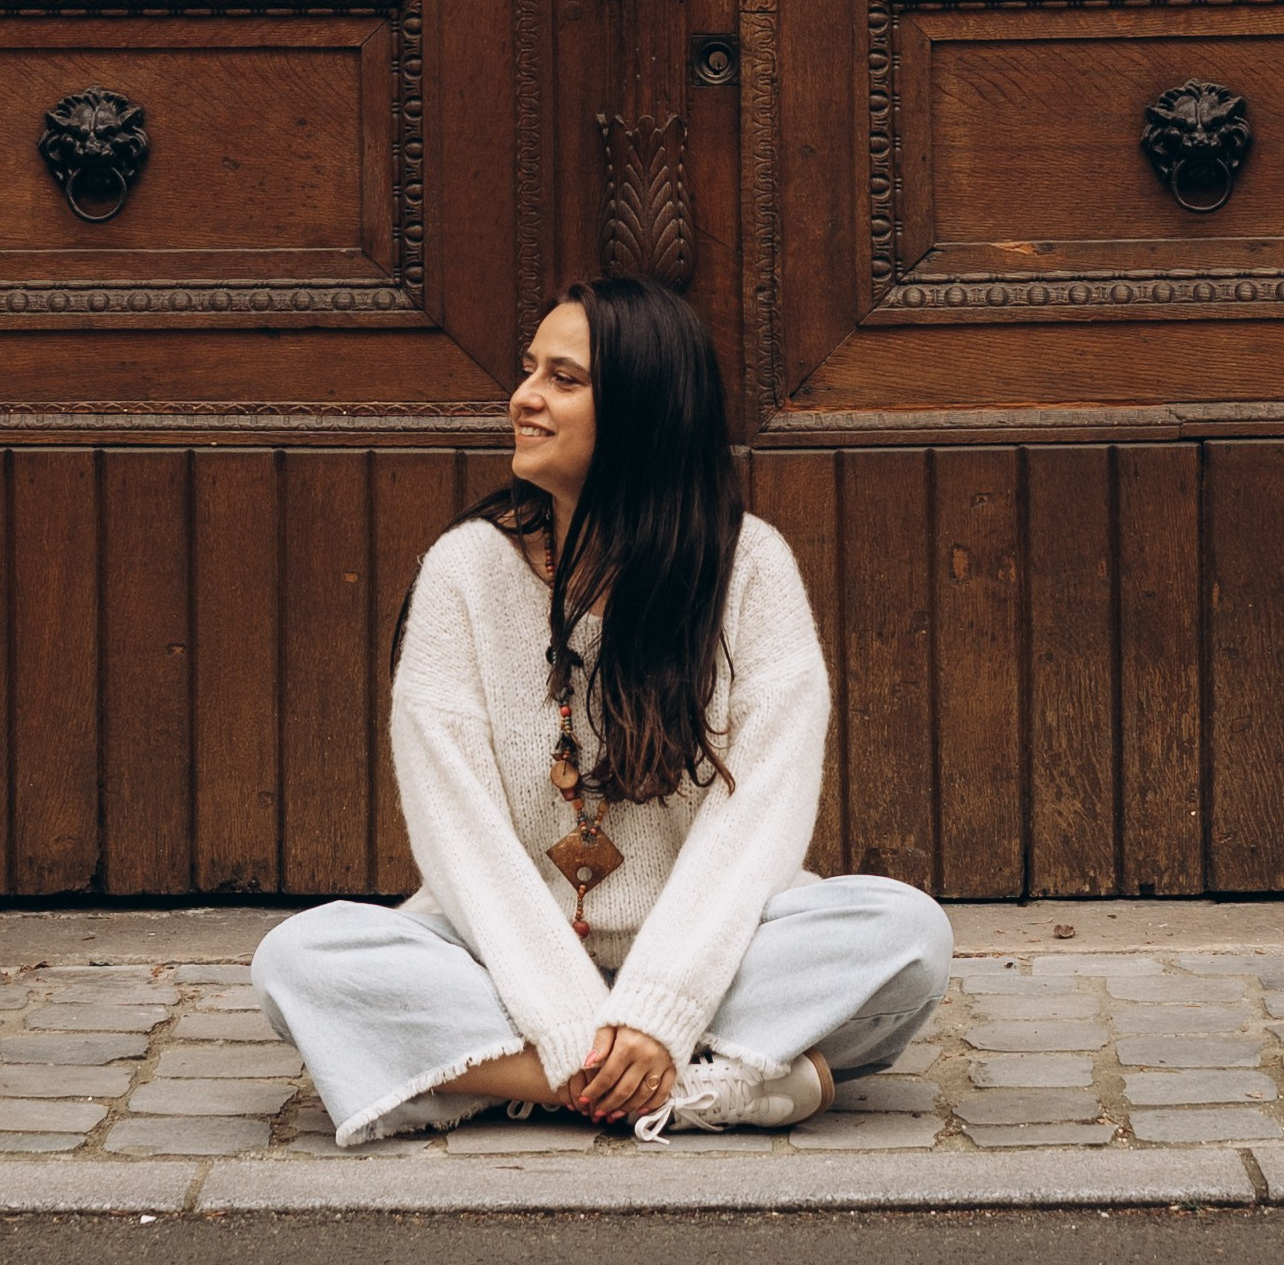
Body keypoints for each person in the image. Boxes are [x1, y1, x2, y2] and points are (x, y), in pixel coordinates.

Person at [253, 274, 953, 1147]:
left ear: (645, 410)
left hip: (713, 955)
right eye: (528, 371)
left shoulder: (750, 568)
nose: (524, 399)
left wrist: (663, 1004)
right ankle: (701, 1088)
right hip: (501, 959)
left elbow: (760, 822)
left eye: (564, 379)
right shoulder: (464, 570)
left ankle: (542, 1078)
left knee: (907, 935)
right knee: (299, 964)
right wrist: (570, 1019)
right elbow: (455, 834)